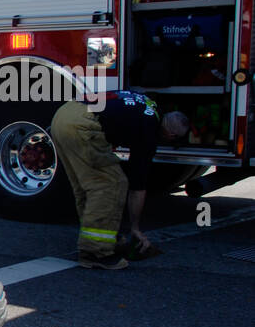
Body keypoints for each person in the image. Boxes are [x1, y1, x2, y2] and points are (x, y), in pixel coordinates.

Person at [49, 90, 190, 269]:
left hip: (64, 114)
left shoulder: (148, 104)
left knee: (87, 185)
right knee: (111, 184)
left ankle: (99, 238)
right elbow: (137, 186)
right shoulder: (148, 131)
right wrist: (135, 228)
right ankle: (95, 252)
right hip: (82, 125)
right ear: (171, 136)